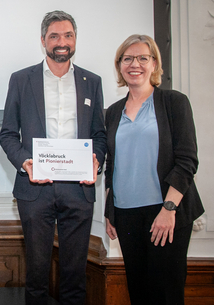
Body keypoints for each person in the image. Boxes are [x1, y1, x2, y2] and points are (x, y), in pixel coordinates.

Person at [0, 10, 107, 305]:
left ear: (75, 39)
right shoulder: (22, 80)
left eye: (68, 35)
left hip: (78, 190)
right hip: (35, 190)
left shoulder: (92, 82)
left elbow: (100, 134)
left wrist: (96, 160)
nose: (62, 42)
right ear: (43, 40)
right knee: (36, 275)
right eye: (55, 36)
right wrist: (25, 162)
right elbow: (8, 134)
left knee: (74, 275)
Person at [104, 34, 204, 305]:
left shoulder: (174, 103)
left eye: (142, 58)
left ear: (154, 64)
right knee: (139, 292)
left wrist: (169, 210)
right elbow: (111, 163)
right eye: (127, 58)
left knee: (166, 293)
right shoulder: (112, 112)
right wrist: (110, 211)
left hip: (165, 212)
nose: (134, 64)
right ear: (120, 65)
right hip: (125, 215)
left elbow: (187, 160)